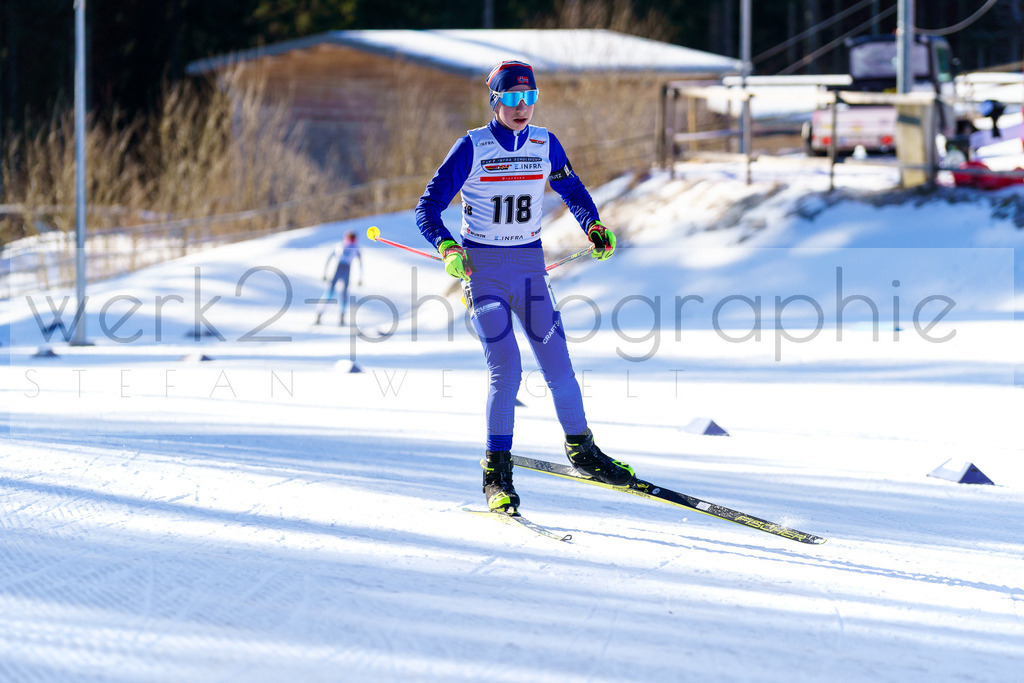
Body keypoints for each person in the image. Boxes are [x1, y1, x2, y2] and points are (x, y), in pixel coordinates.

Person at [415, 59, 636, 513]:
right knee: (507, 368)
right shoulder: (472, 146)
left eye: (530, 97)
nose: (523, 106)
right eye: (513, 97)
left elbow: (572, 191)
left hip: (530, 270)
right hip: (484, 274)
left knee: (559, 366)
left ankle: (583, 451)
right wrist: (447, 247)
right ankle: (496, 472)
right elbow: (428, 207)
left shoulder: (545, 142)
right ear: (495, 100)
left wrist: (594, 225)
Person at [315, 231, 363, 325]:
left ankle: (340, 316)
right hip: (340, 269)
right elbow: (330, 258)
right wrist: (325, 272)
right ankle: (320, 315)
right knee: (331, 293)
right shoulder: (342, 246)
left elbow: (360, 263)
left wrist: (360, 278)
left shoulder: (350, 247)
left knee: (340, 294)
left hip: (345, 269)